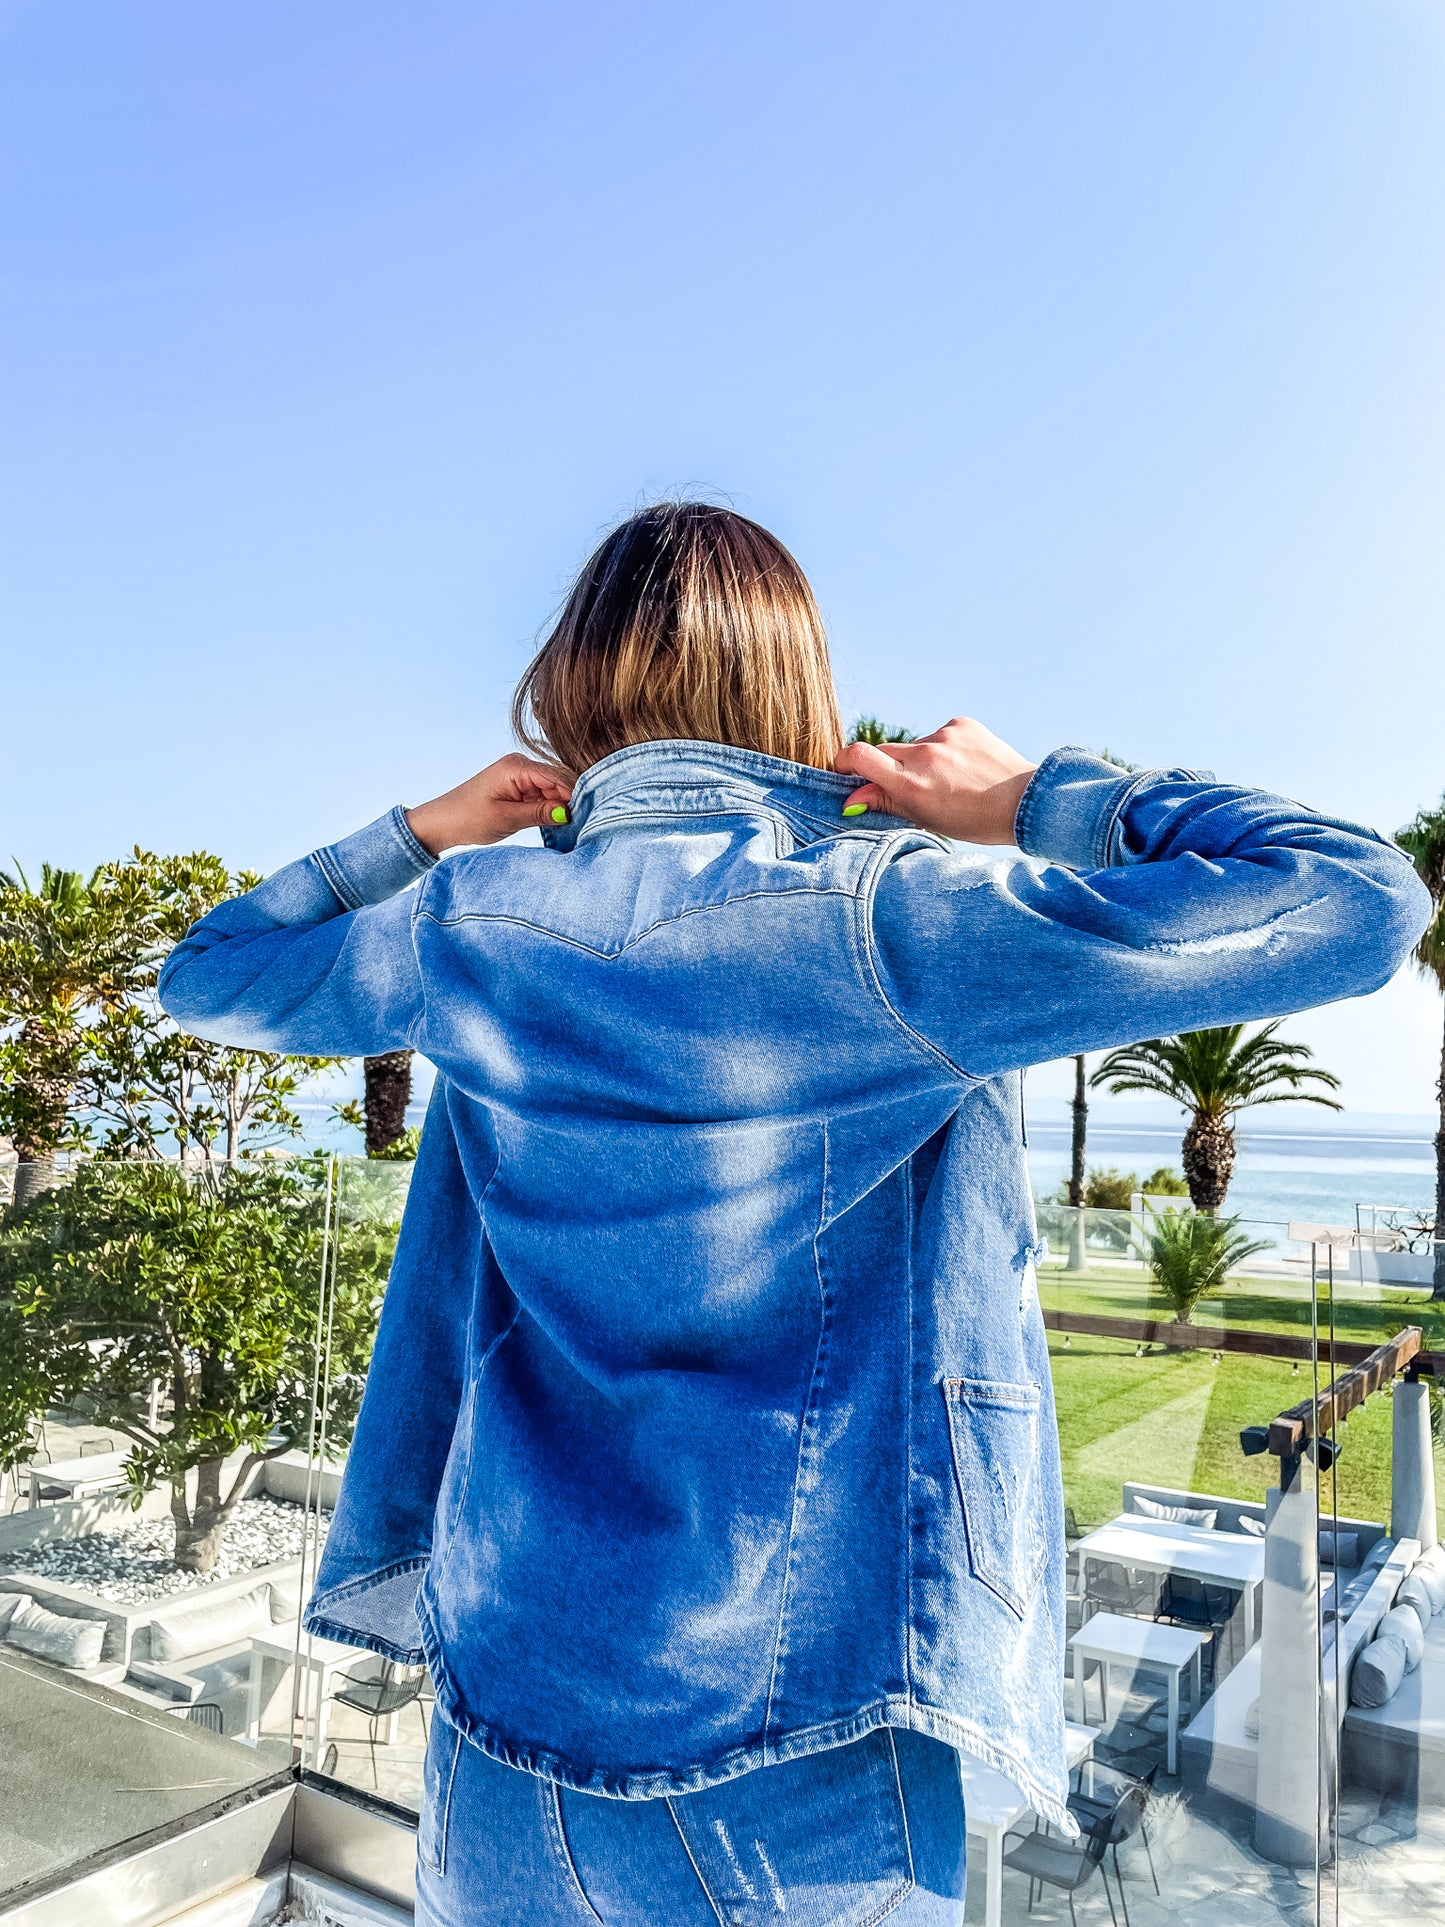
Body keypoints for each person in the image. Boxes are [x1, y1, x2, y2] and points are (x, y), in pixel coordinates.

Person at [159, 503, 1429, 1925]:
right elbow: (1356, 900)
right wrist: (1043, 802)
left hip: (506, 1699)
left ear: (567, 684)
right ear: (793, 692)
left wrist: (422, 831)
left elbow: (209, 975)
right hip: (801, 1743)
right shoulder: (887, 919)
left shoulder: (471, 923)